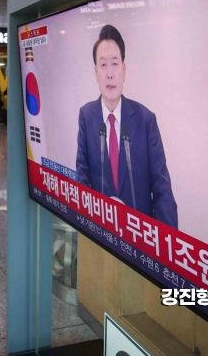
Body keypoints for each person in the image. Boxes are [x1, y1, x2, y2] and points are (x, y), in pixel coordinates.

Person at [75, 25, 178, 228]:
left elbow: (162, 188)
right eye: (103, 65)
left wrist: (167, 244)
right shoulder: (86, 116)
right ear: (95, 72)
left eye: (115, 63)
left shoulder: (145, 119)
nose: (110, 74)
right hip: (99, 232)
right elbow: (82, 176)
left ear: (124, 69)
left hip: (138, 239)